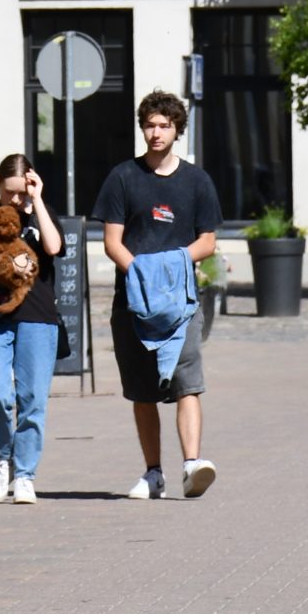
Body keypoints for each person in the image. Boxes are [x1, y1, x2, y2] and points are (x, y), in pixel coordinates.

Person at [92, 91, 221, 501]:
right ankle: (153, 474)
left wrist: (171, 268)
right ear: (142, 128)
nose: (156, 132)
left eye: (165, 125)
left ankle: (192, 465)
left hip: (182, 304)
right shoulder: (122, 178)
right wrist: (143, 276)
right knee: (142, 391)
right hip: (132, 303)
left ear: (177, 130)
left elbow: (207, 241)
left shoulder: (197, 181)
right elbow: (112, 242)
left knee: (188, 383)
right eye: (150, 125)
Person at [0, 155, 66, 506]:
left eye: (23, 192)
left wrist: (38, 201)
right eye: (10, 192)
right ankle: (3, 461)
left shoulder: (42, 214)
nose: (17, 200)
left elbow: (53, 247)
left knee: (32, 399)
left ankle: (24, 475)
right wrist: (6, 264)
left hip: (38, 316)